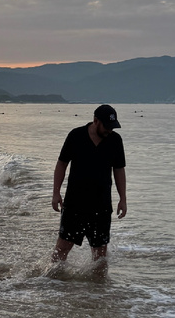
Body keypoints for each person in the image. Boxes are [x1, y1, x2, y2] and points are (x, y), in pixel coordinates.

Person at [51, 104, 127, 264]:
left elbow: (119, 170)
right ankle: (51, 284)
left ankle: (97, 287)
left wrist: (123, 198)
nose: (110, 130)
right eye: (107, 126)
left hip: (102, 205)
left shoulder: (115, 140)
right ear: (95, 121)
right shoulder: (76, 136)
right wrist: (56, 192)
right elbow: (61, 164)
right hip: (74, 203)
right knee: (62, 248)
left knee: (100, 255)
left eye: (112, 127)